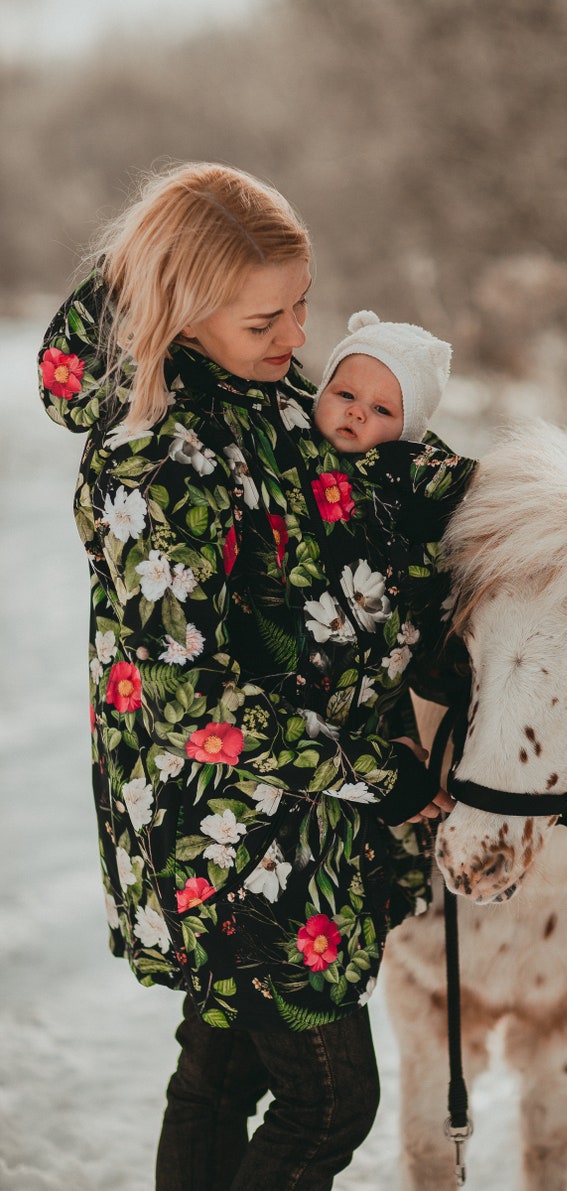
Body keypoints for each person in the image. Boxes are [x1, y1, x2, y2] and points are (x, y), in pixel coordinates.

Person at [38, 162, 476, 1190]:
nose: (294, 337)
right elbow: (191, 702)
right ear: (185, 312)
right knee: (329, 1105)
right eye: (264, 319)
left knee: (220, 1067)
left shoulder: (267, 394)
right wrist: (382, 774)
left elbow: (353, 509)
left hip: (297, 817)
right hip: (229, 824)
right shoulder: (155, 459)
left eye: (302, 307)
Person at [313, 309, 451, 452]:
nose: (356, 412)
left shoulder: (423, 473)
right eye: (346, 395)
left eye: (381, 409)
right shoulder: (290, 431)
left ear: (409, 433)